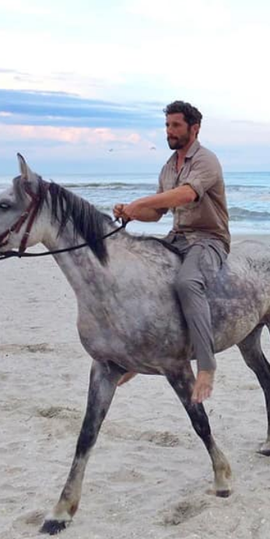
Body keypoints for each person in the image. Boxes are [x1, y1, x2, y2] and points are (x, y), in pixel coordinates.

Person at [113, 101, 230, 404]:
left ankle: (205, 366)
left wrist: (143, 201)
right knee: (141, 275)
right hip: (177, 237)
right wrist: (132, 213)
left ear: (194, 128)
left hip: (209, 238)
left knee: (186, 283)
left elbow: (187, 194)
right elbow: (159, 212)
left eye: (176, 125)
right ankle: (138, 358)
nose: (170, 131)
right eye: (167, 125)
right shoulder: (168, 167)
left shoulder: (206, 160)